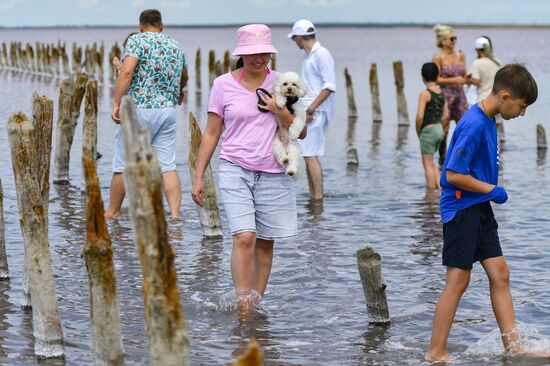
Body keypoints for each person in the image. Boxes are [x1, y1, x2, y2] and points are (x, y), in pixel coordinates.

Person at [426, 64, 541, 362]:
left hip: (479, 207)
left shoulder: (489, 119)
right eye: (522, 105)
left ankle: (513, 347)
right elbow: (451, 175)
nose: (522, 113)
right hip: (461, 208)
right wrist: (492, 190)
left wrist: (488, 194)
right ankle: (435, 352)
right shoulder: (475, 123)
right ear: (505, 96)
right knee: (459, 279)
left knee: (500, 273)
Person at [191, 24, 306, 313]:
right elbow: (211, 133)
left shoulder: (283, 83)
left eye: (264, 53)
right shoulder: (222, 85)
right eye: (252, 53)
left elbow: (301, 133)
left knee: (266, 243)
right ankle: (244, 307)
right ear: (241, 55)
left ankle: (254, 306)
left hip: (274, 172)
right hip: (235, 168)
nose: (258, 58)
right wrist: (198, 176)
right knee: (244, 237)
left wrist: (280, 112)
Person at [105, 9, 189, 219]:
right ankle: (175, 216)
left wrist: (116, 102)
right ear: (162, 26)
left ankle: (112, 213)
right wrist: (179, 91)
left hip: (140, 110)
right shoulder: (175, 44)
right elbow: (184, 75)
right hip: (167, 111)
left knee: (123, 164)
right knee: (167, 166)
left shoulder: (137, 40)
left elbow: (127, 72)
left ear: (140, 26)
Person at [288, 19, 335, 201]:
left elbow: (329, 86)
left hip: (316, 112)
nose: (294, 42)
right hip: (310, 110)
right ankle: (313, 197)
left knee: (310, 154)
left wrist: (310, 110)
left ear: (299, 37)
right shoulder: (309, 56)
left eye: (294, 39)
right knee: (308, 153)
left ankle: (317, 197)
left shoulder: (321, 54)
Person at [432, 24, 469, 166]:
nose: (454, 41)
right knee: (444, 130)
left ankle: (462, 158)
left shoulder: (461, 54)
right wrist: (453, 80)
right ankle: (442, 160)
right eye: (451, 39)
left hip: (460, 97)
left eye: (455, 38)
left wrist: (469, 78)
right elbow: (435, 79)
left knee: (465, 127)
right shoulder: (438, 57)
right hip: (445, 97)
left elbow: (464, 74)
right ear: (442, 41)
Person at [415, 62, 449, 190]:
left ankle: (430, 195)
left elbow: (419, 117)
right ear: (437, 75)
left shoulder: (425, 94)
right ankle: (440, 189)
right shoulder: (441, 93)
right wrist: (443, 130)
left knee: (427, 164)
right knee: (432, 163)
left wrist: (419, 131)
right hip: (439, 129)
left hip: (428, 131)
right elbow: (446, 116)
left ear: (422, 77)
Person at [467, 36, 502, 102]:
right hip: (496, 99)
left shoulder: (477, 62)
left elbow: (476, 81)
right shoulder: (497, 62)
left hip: (483, 99)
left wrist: (468, 80)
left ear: (477, 49)